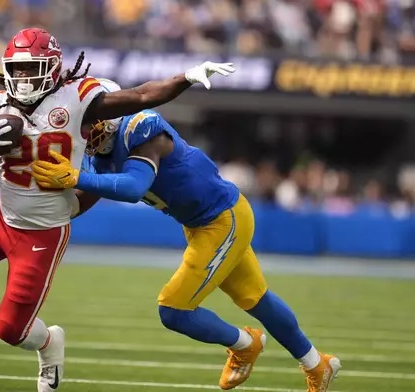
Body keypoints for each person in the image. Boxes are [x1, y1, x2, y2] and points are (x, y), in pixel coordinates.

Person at [0, 28, 236, 392]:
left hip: (42, 233)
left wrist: (186, 76)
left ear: (53, 67)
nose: (22, 76)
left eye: (31, 67)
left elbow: (140, 96)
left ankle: (49, 343)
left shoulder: (78, 98)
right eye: (17, 67)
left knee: (11, 330)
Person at [29, 78, 341, 392]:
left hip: (222, 219)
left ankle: (245, 344)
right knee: (256, 299)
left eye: (90, 120)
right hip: (204, 224)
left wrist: (73, 176)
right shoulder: (100, 159)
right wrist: (47, 205)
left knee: (174, 309)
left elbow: (134, 186)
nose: (85, 130)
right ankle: (318, 364)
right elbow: (84, 199)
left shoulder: (141, 129)